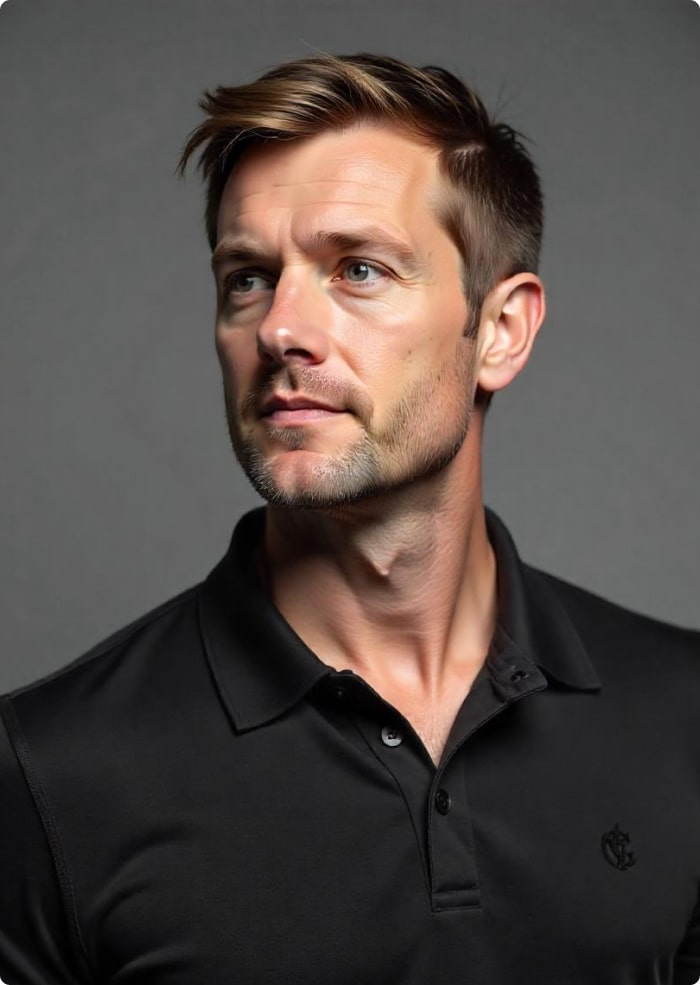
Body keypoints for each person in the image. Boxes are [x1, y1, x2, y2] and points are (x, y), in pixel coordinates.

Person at [1, 52, 699, 985]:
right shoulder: (48, 769)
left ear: (500, 331)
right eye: (248, 278)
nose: (280, 327)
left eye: (358, 269)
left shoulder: (685, 714)